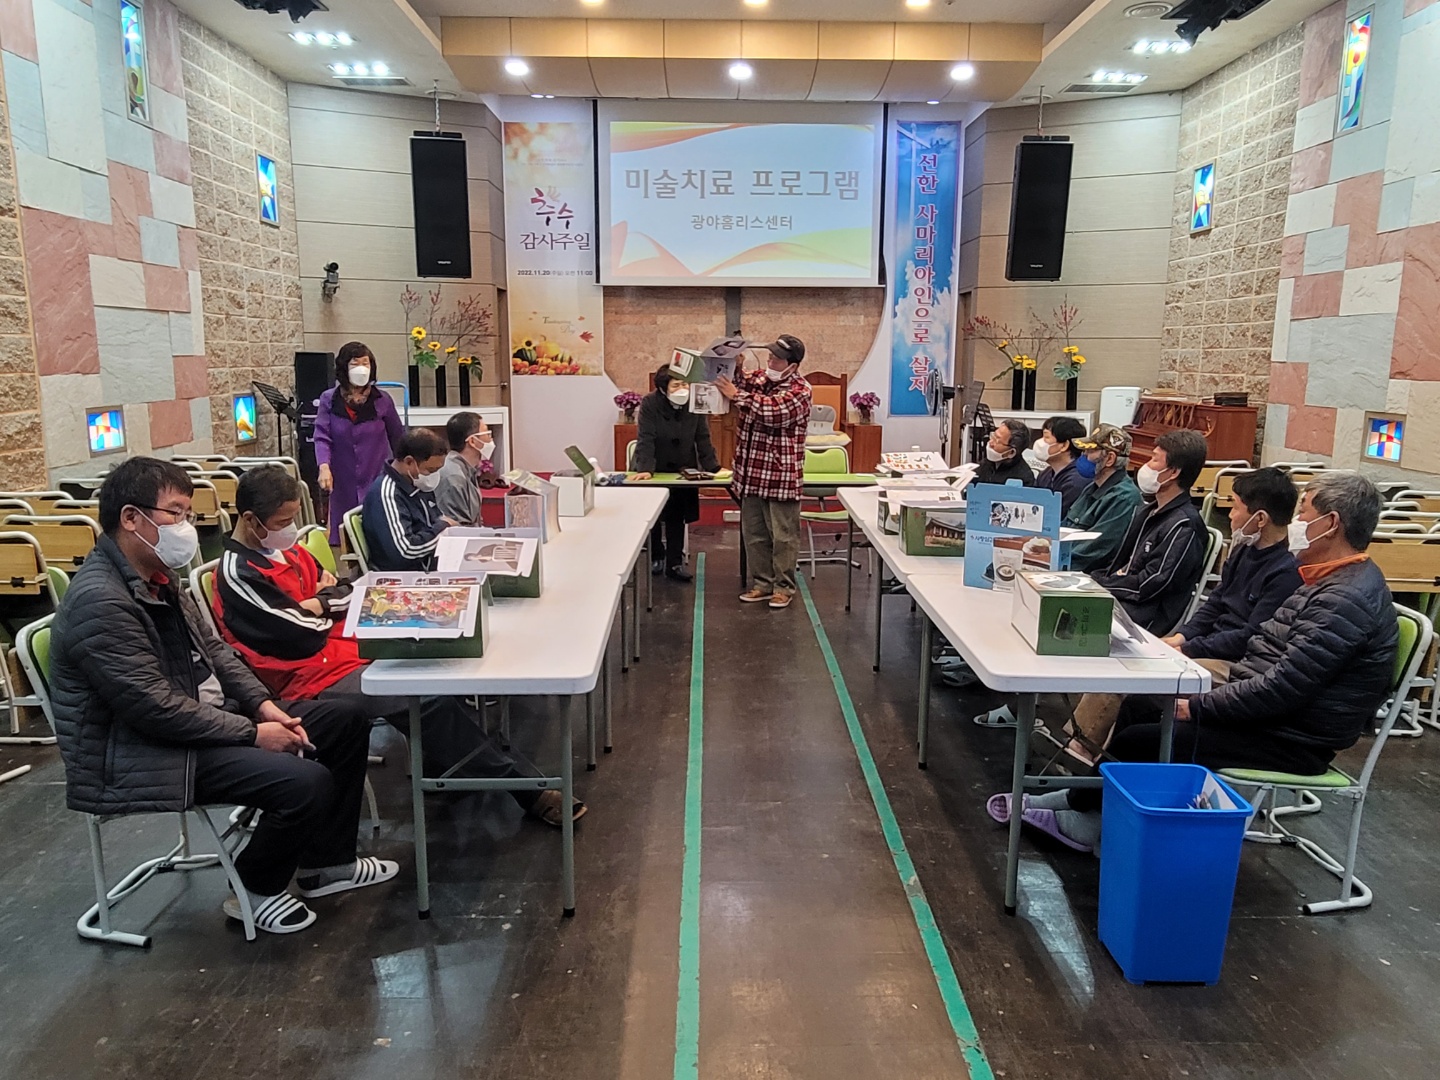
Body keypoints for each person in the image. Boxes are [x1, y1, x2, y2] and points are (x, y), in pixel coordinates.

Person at [48, 458, 396, 936]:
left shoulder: (156, 577)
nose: (186, 527)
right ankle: (254, 888)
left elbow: (217, 651)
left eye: (189, 514)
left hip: (200, 722)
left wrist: (263, 706)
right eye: (175, 513)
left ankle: (327, 865)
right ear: (131, 518)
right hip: (141, 752)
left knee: (343, 721)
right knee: (304, 780)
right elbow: (154, 709)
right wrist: (254, 733)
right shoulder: (101, 600)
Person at [993, 471, 1398, 854]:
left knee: (1141, 740)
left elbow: (1282, 688)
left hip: (1293, 739)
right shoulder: (1326, 579)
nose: (1297, 522)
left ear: (1331, 523)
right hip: (1270, 712)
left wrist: (1200, 706)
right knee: (1139, 703)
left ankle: (1088, 825)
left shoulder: (1344, 598)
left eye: (1304, 513)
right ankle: (1083, 800)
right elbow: (1268, 658)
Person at [214, 466, 584, 825]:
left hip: (347, 646)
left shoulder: (288, 551)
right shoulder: (238, 574)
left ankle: (453, 767)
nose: (291, 529)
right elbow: (301, 632)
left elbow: (349, 588)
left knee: (443, 663)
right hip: (309, 679)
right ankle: (524, 787)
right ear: (250, 520)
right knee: (426, 695)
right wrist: (328, 604)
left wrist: (321, 602)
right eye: (283, 522)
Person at [1067, 466, 1303, 765]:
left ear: (1260, 519)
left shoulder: (1285, 572)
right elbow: (1215, 603)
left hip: (1235, 662)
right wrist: (1180, 637)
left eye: (1235, 507)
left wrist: (1188, 648)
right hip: (1208, 645)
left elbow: (1251, 637)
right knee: (1124, 661)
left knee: (1140, 679)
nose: (1230, 515)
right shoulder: (1244, 550)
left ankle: (1090, 755)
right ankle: (1079, 747)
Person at [714, 334, 812, 610]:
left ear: (792, 366)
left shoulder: (801, 390)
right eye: (769, 358)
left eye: (777, 360)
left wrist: (737, 395)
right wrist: (734, 365)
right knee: (754, 534)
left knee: (783, 536)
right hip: (751, 473)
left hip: (780, 475)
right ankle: (762, 584)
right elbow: (739, 383)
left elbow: (773, 412)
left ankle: (783, 587)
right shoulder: (760, 380)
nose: (770, 363)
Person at [1090, 428, 1210, 634]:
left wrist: (1102, 584)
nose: (1146, 466)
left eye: (1154, 460)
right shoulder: (1148, 511)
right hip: (1119, 598)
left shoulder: (1183, 526)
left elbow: (1150, 583)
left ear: (1173, 472)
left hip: (1143, 617)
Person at [630, 363, 720, 583]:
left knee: (677, 517)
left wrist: (713, 468)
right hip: (653, 465)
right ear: (663, 388)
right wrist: (646, 469)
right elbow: (646, 438)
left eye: (685, 384)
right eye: (676, 385)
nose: (682, 389)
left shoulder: (694, 403)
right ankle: (656, 557)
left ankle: (674, 563)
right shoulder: (650, 403)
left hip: (682, 467)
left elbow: (702, 437)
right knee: (652, 516)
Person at [313, 342, 403, 545]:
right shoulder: (329, 399)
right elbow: (322, 436)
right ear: (344, 367)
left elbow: (398, 437)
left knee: (378, 536)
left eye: (365, 363)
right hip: (342, 480)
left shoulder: (383, 400)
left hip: (377, 477)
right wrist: (324, 466)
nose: (361, 368)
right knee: (345, 537)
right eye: (355, 364)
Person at [361, 428, 452, 572]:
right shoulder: (387, 494)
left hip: (429, 562)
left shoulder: (417, 483)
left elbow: (435, 520)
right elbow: (405, 551)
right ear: (409, 462)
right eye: (431, 470)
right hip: (405, 573)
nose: (433, 476)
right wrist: (443, 528)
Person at [1062, 425, 1143, 573]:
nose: (1083, 456)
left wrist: (1053, 563)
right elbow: (1064, 528)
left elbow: (1094, 550)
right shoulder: (1092, 488)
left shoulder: (1124, 498)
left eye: (1090, 451)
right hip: (1065, 564)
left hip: (1089, 575)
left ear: (1110, 459)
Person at [433, 411, 496, 528]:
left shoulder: (467, 469)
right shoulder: (453, 477)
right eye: (487, 433)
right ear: (472, 441)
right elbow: (457, 528)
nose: (491, 438)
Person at [1032, 417, 1089, 516]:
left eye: (1046, 437)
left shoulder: (1077, 481)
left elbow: (1059, 516)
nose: (1040, 442)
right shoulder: (1045, 474)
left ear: (1064, 445)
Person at [973, 419, 1035, 487]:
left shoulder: (1024, 478)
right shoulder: (985, 464)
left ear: (1011, 452)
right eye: (993, 436)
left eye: (997, 440)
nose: (990, 443)